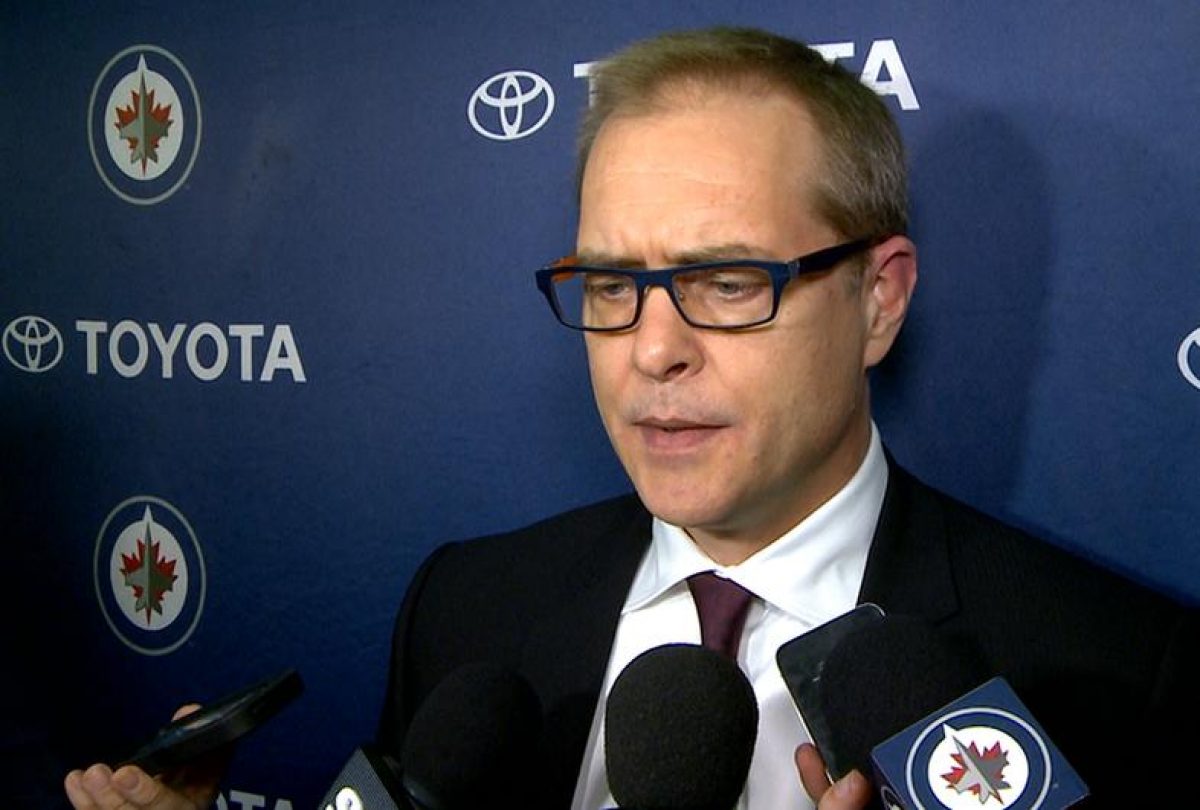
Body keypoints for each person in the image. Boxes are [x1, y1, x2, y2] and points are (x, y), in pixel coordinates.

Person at [66, 26, 1197, 810]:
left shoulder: (1109, 671)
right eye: (612, 285)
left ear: (878, 301)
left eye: (727, 281)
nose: (652, 349)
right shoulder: (466, 610)